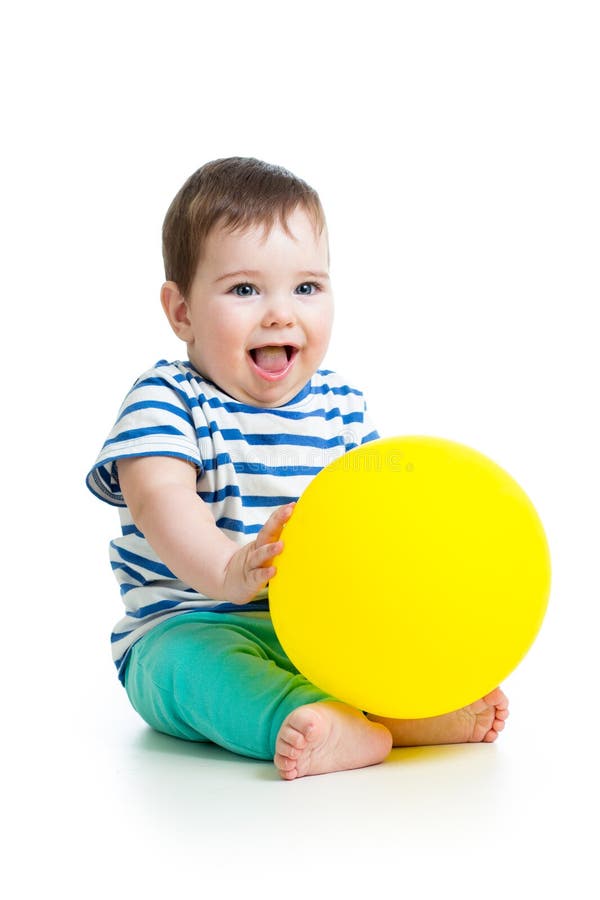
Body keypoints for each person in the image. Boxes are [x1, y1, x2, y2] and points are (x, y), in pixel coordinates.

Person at [87, 157, 509, 780]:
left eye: (306, 288)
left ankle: (398, 711)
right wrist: (227, 571)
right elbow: (159, 500)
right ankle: (304, 718)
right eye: (244, 289)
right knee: (196, 670)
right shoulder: (168, 398)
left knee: (369, 651)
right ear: (180, 313)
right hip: (190, 622)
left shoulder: (341, 407)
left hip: (317, 635)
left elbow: (377, 527)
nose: (281, 313)